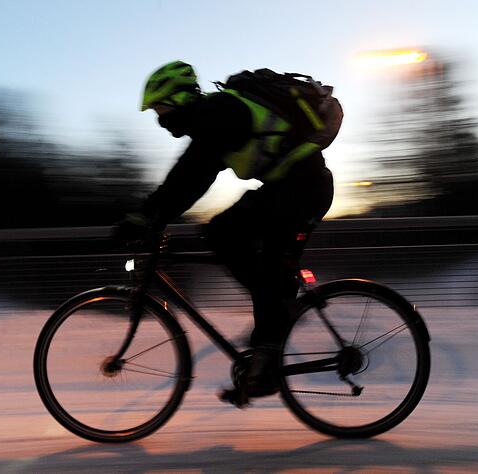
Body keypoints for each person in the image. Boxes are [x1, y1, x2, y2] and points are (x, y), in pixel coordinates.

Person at [116, 61, 335, 407]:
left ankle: (273, 330)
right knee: (238, 245)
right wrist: (152, 215)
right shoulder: (215, 116)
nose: (160, 118)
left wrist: (145, 217)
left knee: (223, 233)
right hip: (293, 187)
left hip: (301, 189)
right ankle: (271, 335)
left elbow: (190, 176)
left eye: (160, 108)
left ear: (178, 99)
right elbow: (190, 177)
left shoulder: (219, 113)